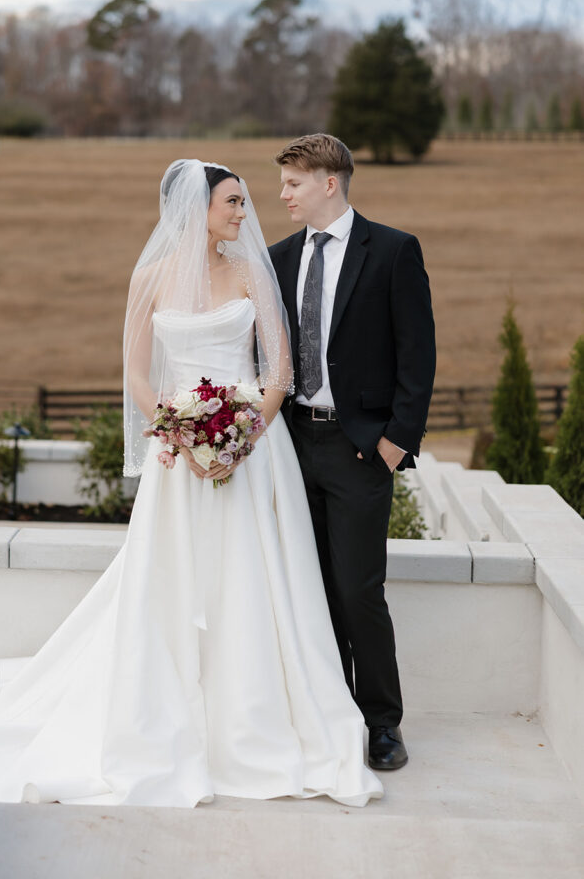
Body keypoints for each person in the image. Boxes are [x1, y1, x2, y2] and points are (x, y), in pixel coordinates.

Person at [0, 158, 383, 809]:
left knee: (253, 580)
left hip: (253, 450)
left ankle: (255, 719)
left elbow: (280, 369)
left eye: (244, 203)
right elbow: (136, 373)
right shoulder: (149, 279)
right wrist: (182, 433)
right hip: (179, 455)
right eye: (232, 202)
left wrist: (240, 436)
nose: (243, 214)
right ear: (195, 210)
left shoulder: (252, 273)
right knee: (176, 580)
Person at [269, 134, 436, 771]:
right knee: (308, 588)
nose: (282, 194)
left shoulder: (393, 251)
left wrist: (396, 442)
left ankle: (381, 724)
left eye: (293, 183)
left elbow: (418, 354)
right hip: (290, 445)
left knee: (360, 590)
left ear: (328, 183)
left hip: (361, 447)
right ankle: (326, 711)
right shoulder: (277, 257)